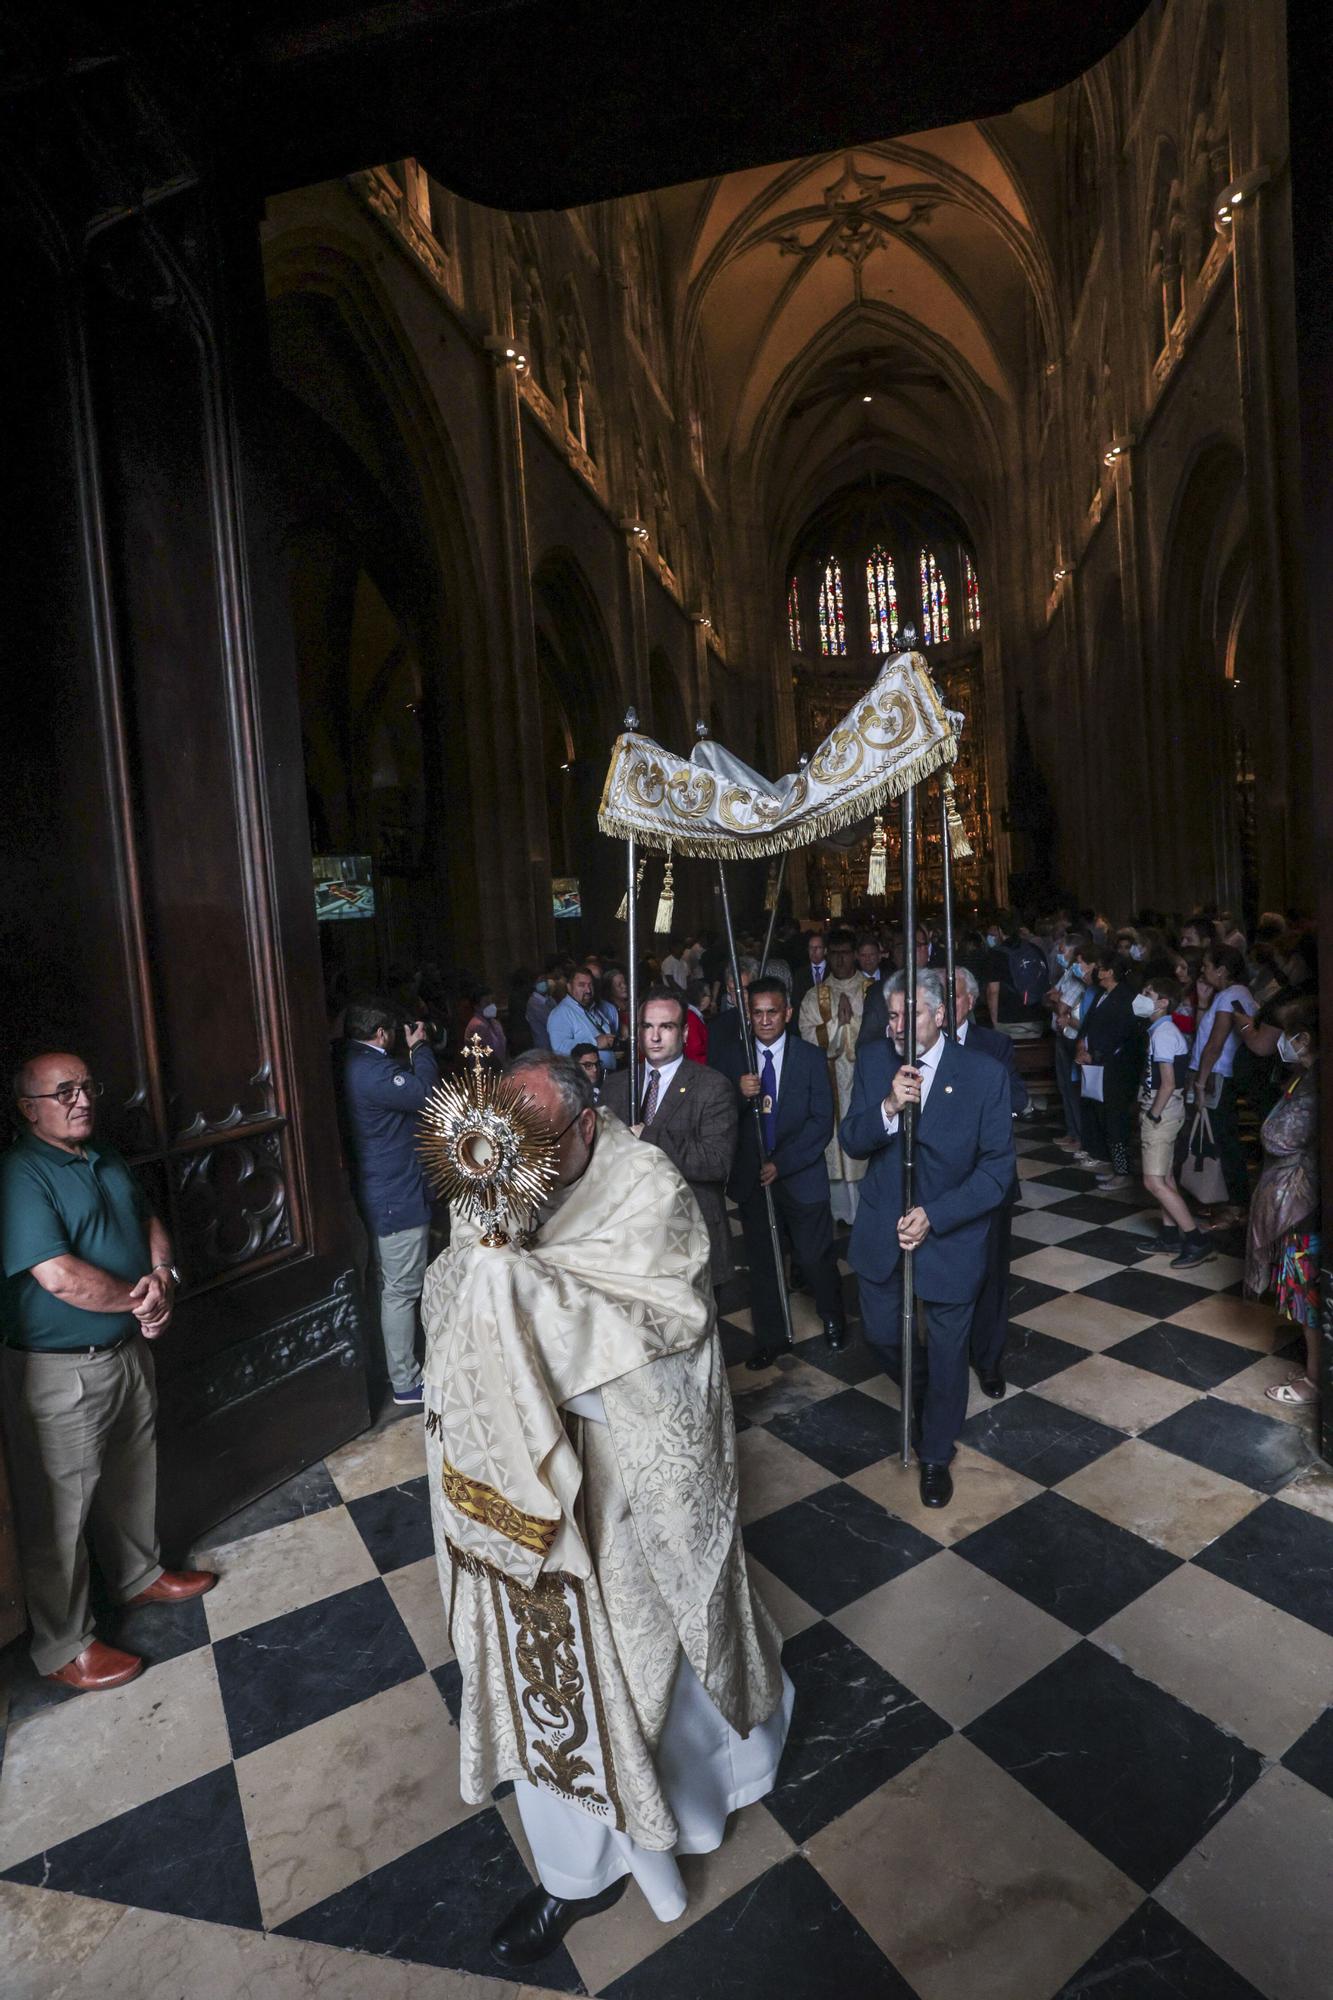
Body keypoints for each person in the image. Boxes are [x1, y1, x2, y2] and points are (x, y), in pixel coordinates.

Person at [420, 1050, 790, 1968]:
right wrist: (483, 1289)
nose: (523, 1168)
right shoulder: (489, 1172)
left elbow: (674, 1337)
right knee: (548, 1685)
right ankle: (574, 1874)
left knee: (641, 1670)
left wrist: (526, 1296)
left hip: (617, 1489)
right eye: (510, 1143)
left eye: (542, 1142)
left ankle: (697, 1802)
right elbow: (447, 1300)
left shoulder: (645, 1187)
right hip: (514, 1498)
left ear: (587, 1122)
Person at [0, 1053, 216, 1691]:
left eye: (88, 1086)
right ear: (28, 1107)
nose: (81, 1099)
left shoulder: (102, 1155)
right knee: (58, 1515)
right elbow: (58, 1276)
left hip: (125, 1350)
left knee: (130, 1475)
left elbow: (147, 1220)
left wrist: (164, 1279)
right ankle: (64, 1644)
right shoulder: (20, 1175)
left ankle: (139, 1577)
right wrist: (141, 1299)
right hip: (57, 1371)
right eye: (62, 1091)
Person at [840, 970, 1014, 1509]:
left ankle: (937, 1453)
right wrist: (888, 1109)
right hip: (879, 1225)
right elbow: (852, 1139)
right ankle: (922, 1396)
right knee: (881, 1334)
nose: (894, 1026)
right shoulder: (873, 1062)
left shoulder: (983, 1073)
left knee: (945, 1351)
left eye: (907, 1015)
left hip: (950, 1233)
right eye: (890, 1014)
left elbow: (996, 1172)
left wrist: (935, 1215)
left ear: (940, 1016)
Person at [713, 977, 846, 1367]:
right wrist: (738, 1094)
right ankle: (771, 1338)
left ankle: (833, 1317)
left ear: (787, 1013)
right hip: (754, 1179)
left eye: (773, 1012)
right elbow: (717, 1119)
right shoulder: (733, 1059)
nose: (766, 1020)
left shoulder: (809, 1057)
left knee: (814, 1255)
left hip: (800, 1174)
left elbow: (822, 1122)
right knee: (764, 1260)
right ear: (748, 1015)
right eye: (757, 1013)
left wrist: (782, 1164)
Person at [333, 997, 441, 1406]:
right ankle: (405, 1381)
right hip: (395, 1192)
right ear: (382, 1033)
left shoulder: (348, 1061)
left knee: (387, 1284)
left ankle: (389, 1365)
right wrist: (420, 1049)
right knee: (401, 1289)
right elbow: (426, 1094)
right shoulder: (373, 1071)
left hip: (378, 1187)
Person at [603, 988, 738, 1286]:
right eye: (647, 1026)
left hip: (689, 1234)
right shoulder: (616, 1086)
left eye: (666, 1026)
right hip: (630, 1237)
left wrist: (650, 1137)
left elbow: (717, 1162)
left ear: (685, 1032)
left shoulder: (711, 1087)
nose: (654, 1036)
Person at [952, 967, 1028, 1396]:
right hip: (940, 1181)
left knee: (992, 1273)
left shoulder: (993, 1045)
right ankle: (947, 1353)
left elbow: (1016, 1097)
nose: (946, 1004)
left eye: (954, 995)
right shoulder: (917, 1042)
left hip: (988, 1176)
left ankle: (988, 1360)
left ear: (971, 1002)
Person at [1245, 997, 1320, 1406]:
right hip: (1298, 1195)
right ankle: (1314, 1367)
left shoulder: (1316, 1081)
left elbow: (1279, 1136)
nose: (1279, 1042)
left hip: (1303, 1200)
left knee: (1305, 1290)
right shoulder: (1306, 1075)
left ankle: (1314, 1381)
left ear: (1304, 1039)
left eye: (1285, 1035)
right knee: (1300, 1287)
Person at [1133, 975, 1214, 1267]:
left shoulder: (1163, 1033)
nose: (1141, 997)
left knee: (1153, 1181)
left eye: (1148, 991)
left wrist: (1153, 1114)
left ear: (1163, 1003)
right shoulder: (1161, 1030)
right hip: (1168, 1108)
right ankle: (1169, 1236)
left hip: (1162, 1111)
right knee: (1166, 1177)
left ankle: (1196, 1240)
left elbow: (1166, 1083)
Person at [798, 928, 869, 1226]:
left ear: (854, 954)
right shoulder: (815, 995)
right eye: (834, 953)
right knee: (835, 1143)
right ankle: (840, 1211)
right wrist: (839, 1026)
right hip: (830, 1082)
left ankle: (868, 1208)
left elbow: (884, 1033)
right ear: (827, 955)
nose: (840, 960)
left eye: (845, 953)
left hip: (865, 1080)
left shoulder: (871, 989)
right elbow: (806, 1033)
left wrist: (851, 1023)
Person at [1190, 943, 1257, 1223]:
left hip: (1216, 1075)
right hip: (1214, 1073)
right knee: (1217, 1137)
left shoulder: (1232, 995)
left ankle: (1235, 1204)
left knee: (1222, 1139)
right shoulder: (1227, 994)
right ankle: (1220, 1199)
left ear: (1222, 970)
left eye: (1206, 966)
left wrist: (1201, 1081)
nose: (1203, 971)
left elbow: (1214, 1044)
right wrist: (1203, 1003)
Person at [1076, 950, 1140, 1190]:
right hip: (1100, 1067)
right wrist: (1081, 1043)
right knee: (1105, 1117)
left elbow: (1121, 1034)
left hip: (1116, 1070)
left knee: (1116, 1120)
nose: (1096, 971)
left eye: (1101, 967)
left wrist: (1095, 1053)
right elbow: (1090, 1023)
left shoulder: (1125, 998)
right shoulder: (1103, 995)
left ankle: (1123, 1172)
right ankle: (1116, 1166)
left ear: (1110, 972)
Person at [547, 966, 619, 1070]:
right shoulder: (561, 1013)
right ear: (569, 987)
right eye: (582, 985)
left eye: (590, 985)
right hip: (583, 1082)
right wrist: (595, 1042)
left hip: (606, 1078)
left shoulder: (593, 1009)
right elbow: (560, 1050)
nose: (588, 990)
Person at [463, 983, 508, 1062]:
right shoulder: (476, 1026)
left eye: (492, 1001)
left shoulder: (494, 1022)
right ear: (476, 1006)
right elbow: (488, 1055)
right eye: (487, 1003)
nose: (491, 1005)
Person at [790, 927, 828, 1010]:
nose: (814, 951)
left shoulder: (834, 971)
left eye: (818, 947)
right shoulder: (800, 974)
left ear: (825, 951)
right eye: (811, 948)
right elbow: (796, 1001)